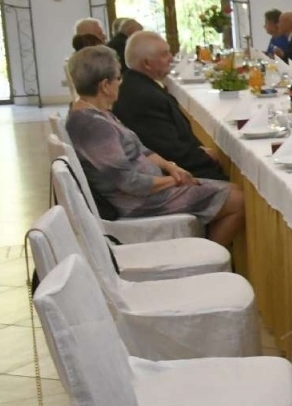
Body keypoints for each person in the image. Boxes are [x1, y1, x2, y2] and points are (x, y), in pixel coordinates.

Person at [65, 45, 244, 247]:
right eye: (118, 79)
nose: (121, 84)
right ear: (105, 86)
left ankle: (204, 253)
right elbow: (130, 183)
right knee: (236, 200)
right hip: (137, 201)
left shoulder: (98, 112)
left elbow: (141, 149)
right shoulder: (93, 126)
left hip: (150, 189)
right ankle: (208, 260)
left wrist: (170, 167)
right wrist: (173, 181)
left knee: (232, 190)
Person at [114, 30, 227, 182]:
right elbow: (169, 151)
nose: (171, 58)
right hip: (174, 175)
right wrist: (204, 156)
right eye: (164, 54)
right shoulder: (145, 98)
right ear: (146, 64)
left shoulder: (138, 85)